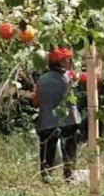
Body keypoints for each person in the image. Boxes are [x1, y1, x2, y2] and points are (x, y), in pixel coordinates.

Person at [32, 47, 81, 182]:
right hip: (69, 119)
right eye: (68, 60)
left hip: (47, 121)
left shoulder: (42, 79)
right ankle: (69, 176)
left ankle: (47, 177)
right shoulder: (70, 76)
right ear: (62, 62)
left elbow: (35, 102)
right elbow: (89, 78)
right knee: (69, 149)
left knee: (47, 151)